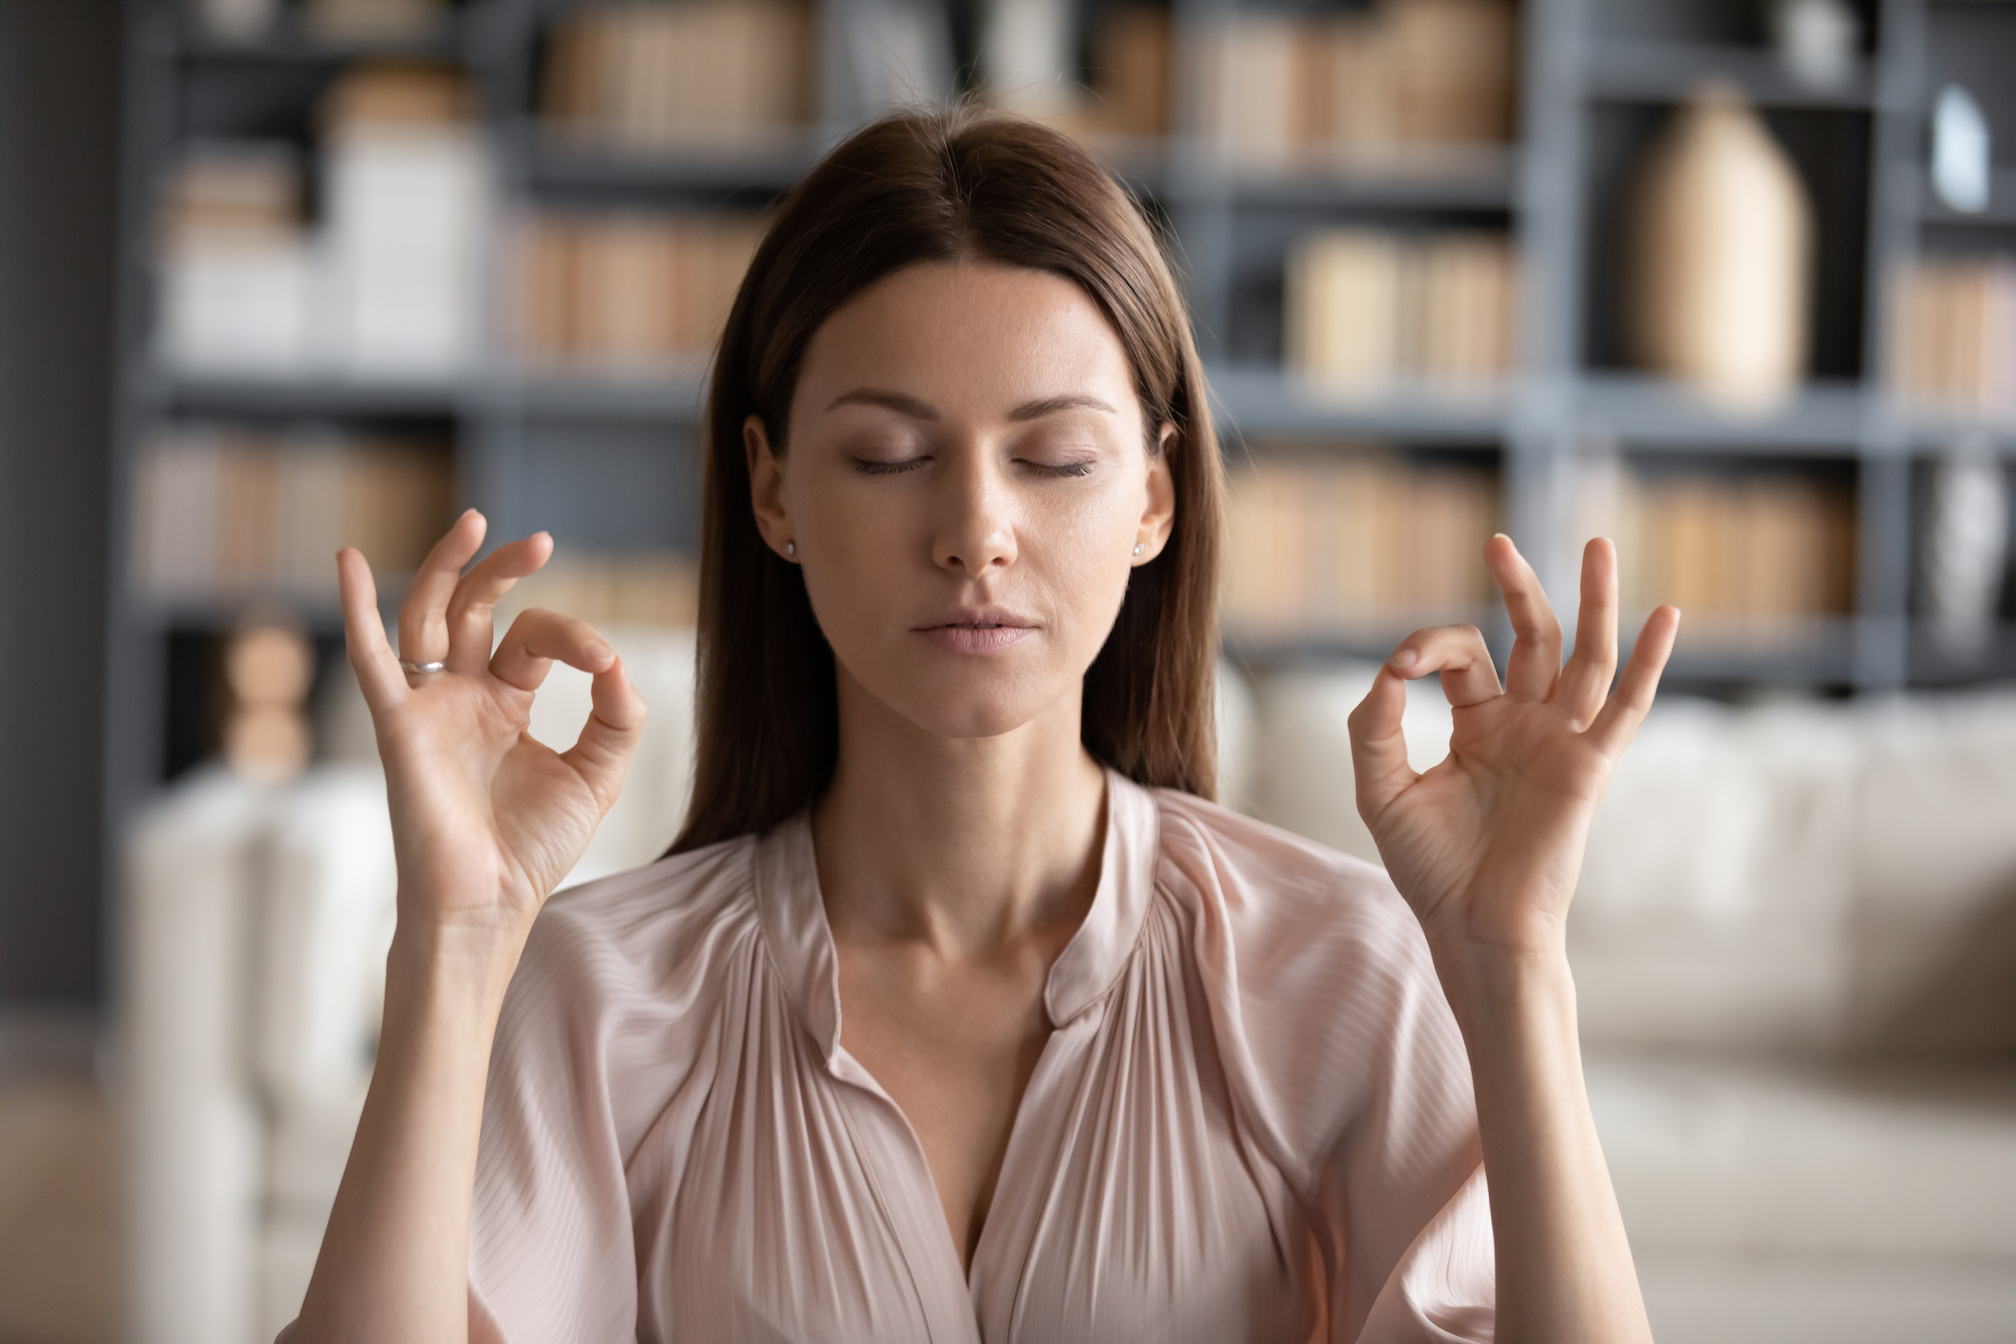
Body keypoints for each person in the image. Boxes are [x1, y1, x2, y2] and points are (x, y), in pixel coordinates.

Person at [284, 105, 1676, 1344]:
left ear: (1154, 497)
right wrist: (456, 943)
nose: (975, 536)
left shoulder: (1333, 971)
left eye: (1056, 458)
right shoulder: (603, 995)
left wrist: (1510, 967)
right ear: (771, 491)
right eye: (888, 456)